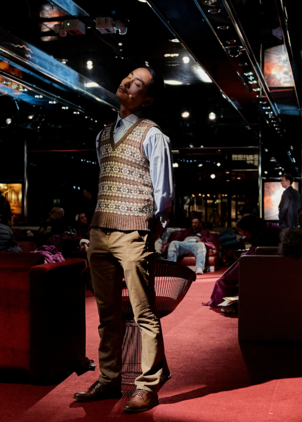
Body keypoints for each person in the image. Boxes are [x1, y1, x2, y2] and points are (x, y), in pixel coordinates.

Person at [75, 66, 172, 414]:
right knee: (107, 313)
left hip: (134, 231)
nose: (127, 83)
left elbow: (164, 191)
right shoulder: (102, 135)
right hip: (100, 231)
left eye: (138, 83)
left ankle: (148, 385)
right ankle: (110, 378)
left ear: (147, 98)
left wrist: (153, 228)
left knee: (144, 312)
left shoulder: (152, 134)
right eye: (128, 77)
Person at [203, 215, 272, 314]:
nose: (242, 234)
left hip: (259, 261)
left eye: (242, 231)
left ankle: (230, 303)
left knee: (223, 280)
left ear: (248, 229)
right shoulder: (266, 229)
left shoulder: (261, 236)